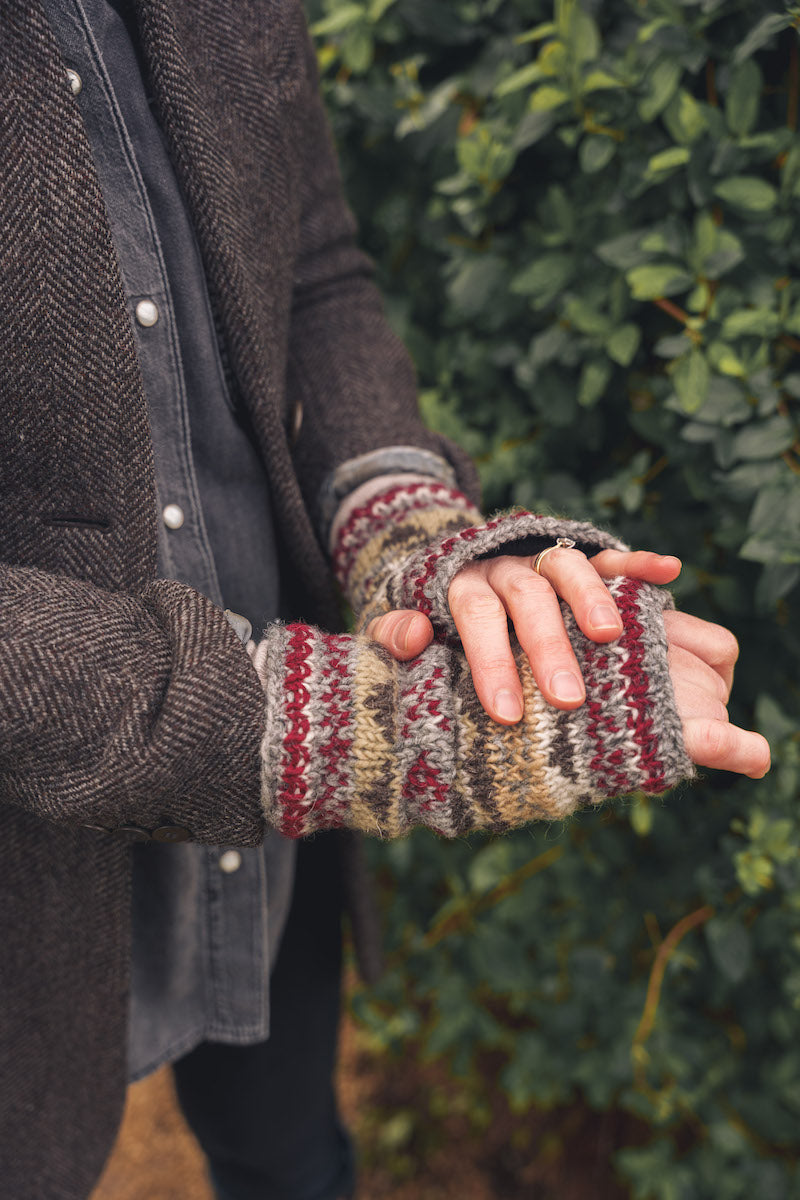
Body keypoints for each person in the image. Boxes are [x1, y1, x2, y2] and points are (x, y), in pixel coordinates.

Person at [0, 2, 770, 1199]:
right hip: (39, 851)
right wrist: (345, 729)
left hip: (268, 837)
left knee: (288, 1150)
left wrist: (410, 526)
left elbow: (310, 262)